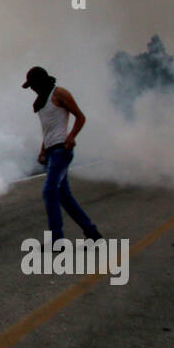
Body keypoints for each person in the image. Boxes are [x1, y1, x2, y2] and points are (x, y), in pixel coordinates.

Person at [22, 66, 102, 242]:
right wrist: (43, 150)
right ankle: (92, 232)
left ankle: (57, 240)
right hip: (51, 152)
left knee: (49, 191)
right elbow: (48, 131)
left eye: (33, 85)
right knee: (64, 197)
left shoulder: (59, 94)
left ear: (41, 81)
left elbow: (80, 117)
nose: (32, 89)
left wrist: (72, 136)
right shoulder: (41, 102)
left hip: (61, 151)